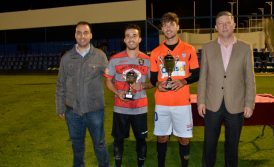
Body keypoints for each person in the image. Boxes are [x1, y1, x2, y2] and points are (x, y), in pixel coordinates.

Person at [197, 11, 256, 167]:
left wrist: (249, 103)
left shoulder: (245, 48)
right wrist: (200, 101)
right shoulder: (207, 48)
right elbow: (203, 77)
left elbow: (250, 78)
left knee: (232, 146)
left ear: (234, 25)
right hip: (211, 103)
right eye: (221, 23)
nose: (224, 26)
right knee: (209, 145)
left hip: (236, 104)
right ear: (216, 27)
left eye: (227, 22)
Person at [56, 21, 109, 167]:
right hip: (73, 112)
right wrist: (60, 107)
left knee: (99, 144)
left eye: (85, 32)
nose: (82, 36)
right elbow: (60, 84)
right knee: (77, 146)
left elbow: (110, 78)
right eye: (79, 32)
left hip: (95, 111)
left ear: (91, 35)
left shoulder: (100, 56)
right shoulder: (66, 58)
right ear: (75, 35)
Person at [150, 12, 200, 167]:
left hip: (182, 103)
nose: (168, 27)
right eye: (165, 25)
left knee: (183, 138)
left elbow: (197, 73)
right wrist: (158, 85)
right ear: (162, 29)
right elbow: (153, 78)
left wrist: (184, 81)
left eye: (171, 24)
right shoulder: (156, 52)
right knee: (162, 137)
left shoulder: (189, 49)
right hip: (162, 103)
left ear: (178, 27)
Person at [104, 24, 152, 167]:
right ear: (124, 40)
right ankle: (117, 164)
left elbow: (154, 82)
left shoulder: (147, 59)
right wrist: (117, 92)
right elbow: (108, 81)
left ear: (140, 39)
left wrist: (143, 85)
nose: (131, 39)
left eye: (134, 36)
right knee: (118, 139)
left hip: (140, 108)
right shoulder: (115, 59)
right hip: (120, 108)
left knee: (141, 139)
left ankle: (141, 164)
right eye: (128, 36)